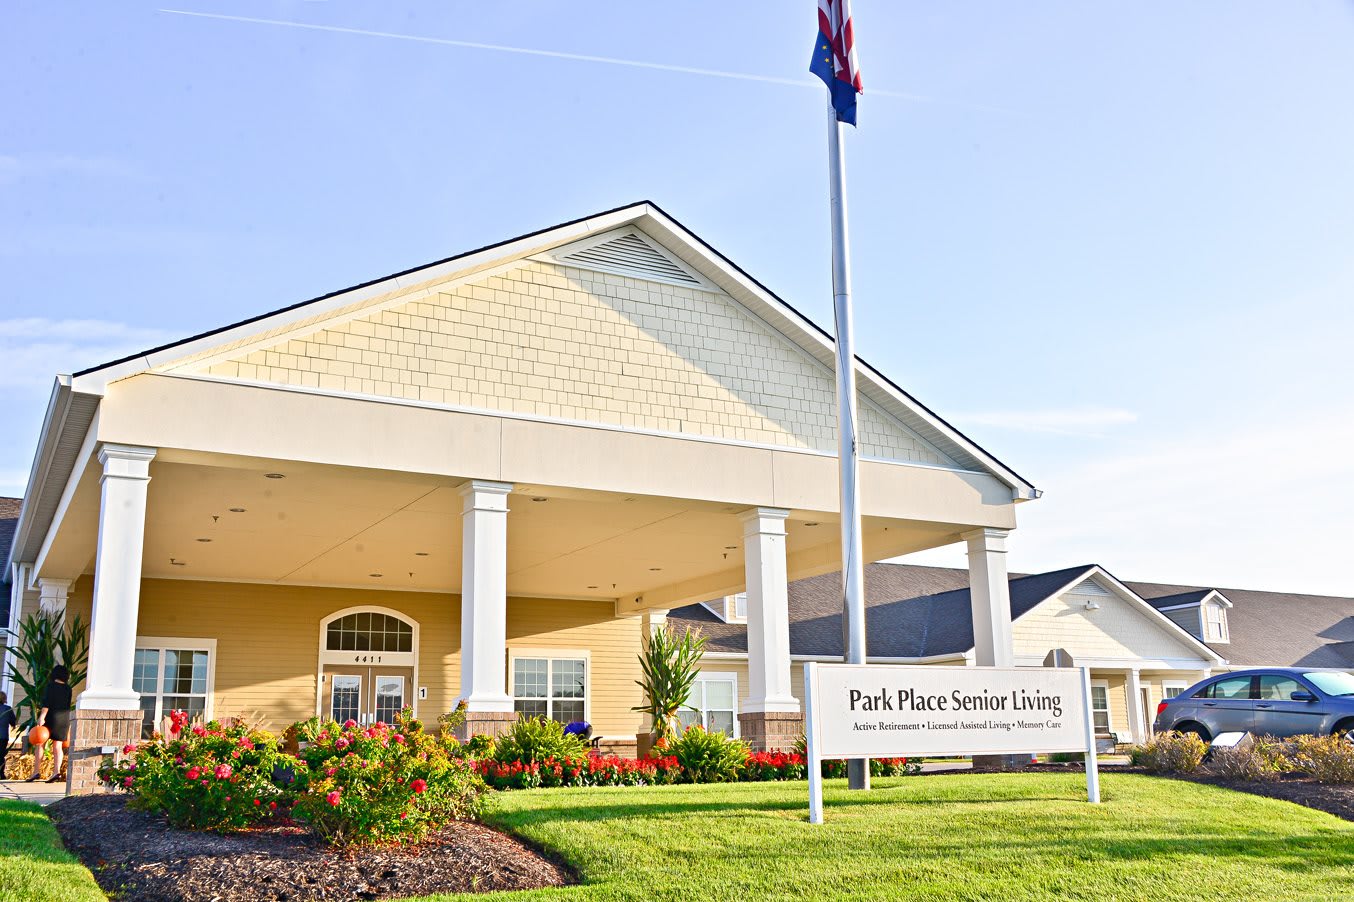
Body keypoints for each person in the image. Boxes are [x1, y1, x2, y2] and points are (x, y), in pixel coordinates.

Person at [28, 665, 71, 783]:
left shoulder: (51, 686)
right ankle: (56, 772)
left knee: (40, 742)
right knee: (57, 746)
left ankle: (36, 772)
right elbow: (67, 704)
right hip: (64, 718)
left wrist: (42, 717)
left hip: (51, 717)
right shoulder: (68, 688)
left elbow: (47, 703)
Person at [0, 691, 15, 777]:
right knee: (1, 755)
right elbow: (13, 722)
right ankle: (1, 774)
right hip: (3, 736)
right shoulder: (7, 709)